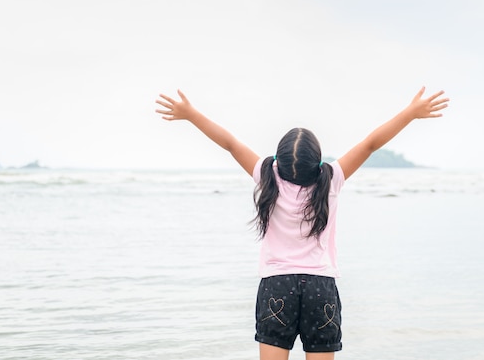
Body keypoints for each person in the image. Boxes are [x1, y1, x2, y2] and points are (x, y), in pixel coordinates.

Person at [155, 87, 449, 360]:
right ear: (318, 163)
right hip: (320, 287)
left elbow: (231, 144)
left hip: (276, 285)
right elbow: (370, 144)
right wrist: (410, 113)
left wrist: (191, 114)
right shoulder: (330, 179)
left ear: (277, 163)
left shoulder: (266, 175)